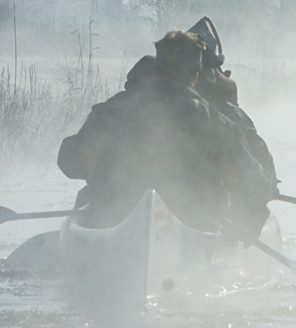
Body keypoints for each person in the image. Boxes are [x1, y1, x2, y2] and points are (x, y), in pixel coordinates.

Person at [58, 31, 275, 240]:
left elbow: (70, 163)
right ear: (196, 73)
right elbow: (253, 184)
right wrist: (246, 224)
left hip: (113, 219)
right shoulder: (215, 122)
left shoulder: (113, 110)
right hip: (197, 223)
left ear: (156, 68)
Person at [124, 17, 278, 190]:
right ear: (194, 73)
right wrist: (265, 187)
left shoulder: (122, 107)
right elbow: (251, 159)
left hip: (130, 198)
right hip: (193, 204)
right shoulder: (216, 117)